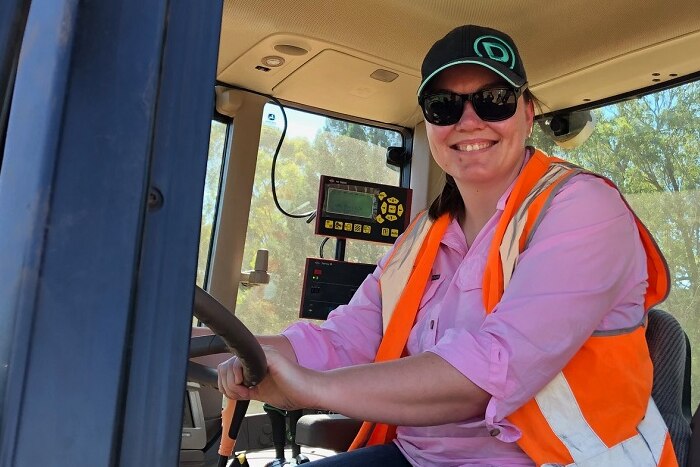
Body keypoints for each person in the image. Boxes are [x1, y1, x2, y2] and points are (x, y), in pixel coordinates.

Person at [218, 24, 677, 466]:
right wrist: (220, 345)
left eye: (494, 101)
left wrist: (311, 388)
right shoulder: (422, 237)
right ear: (429, 123)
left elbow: (493, 369)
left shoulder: (583, 207)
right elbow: (346, 340)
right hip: (418, 457)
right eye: (444, 106)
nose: (469, 121)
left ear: (528, 112)